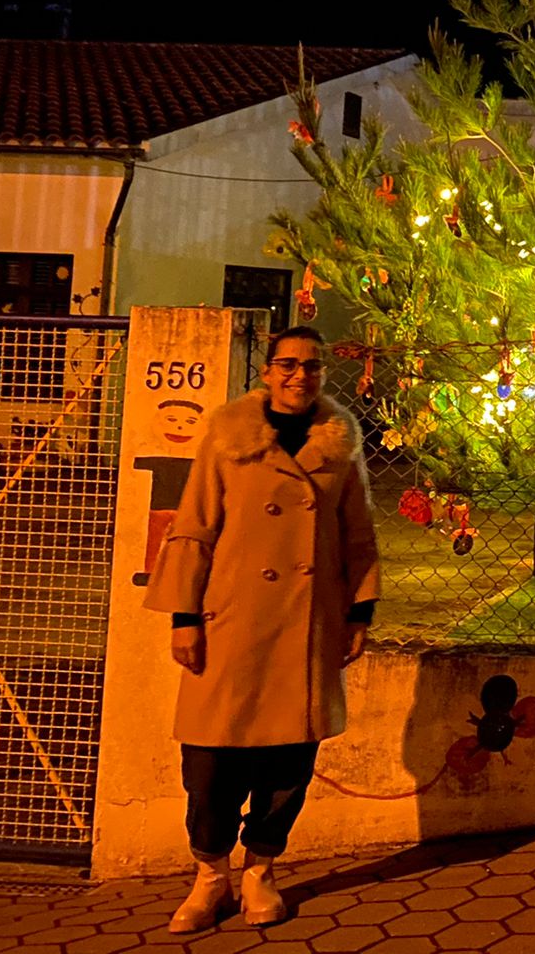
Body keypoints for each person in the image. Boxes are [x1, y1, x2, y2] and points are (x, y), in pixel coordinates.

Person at [144, 324, 380, 934]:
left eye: (312, 365)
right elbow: (193, 527)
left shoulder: (338, 446)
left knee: (288, 765)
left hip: (306, 627)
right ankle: (210, 875)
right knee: (209, 766)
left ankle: (260, 872)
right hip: (229, 623)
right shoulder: (228, 438)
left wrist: (358, 614)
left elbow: (357, 535)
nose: (300, 375)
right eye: (288, 364)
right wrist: (184, 617)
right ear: (268, 371)